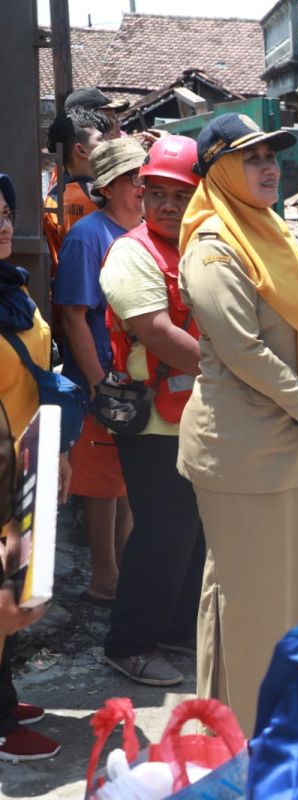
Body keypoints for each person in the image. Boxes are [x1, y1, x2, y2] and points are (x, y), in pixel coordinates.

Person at [177, 113, 298, 734]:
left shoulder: (270, 231)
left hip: (286, 444)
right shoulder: (213, 246)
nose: (269, 166)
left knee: (280, 599)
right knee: (250, 605)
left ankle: (251, 720)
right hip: (241, 451)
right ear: (221, 169)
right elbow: (244, 350)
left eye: (273, 155)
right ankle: (248, 736)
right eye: (252, 158)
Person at [98, 136, 205, 688]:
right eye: (157, 193)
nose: (168, 205)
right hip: (152, 420)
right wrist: (242, 373)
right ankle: (129, 644)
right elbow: (156, 334)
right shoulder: (132, 253)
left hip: (194, 415)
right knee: (162, 532)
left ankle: (176, 628)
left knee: (193, 534)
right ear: (139, 195)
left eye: (180, 195)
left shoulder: (198, 247)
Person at [54, 138, 144, 606]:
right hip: (104, 383)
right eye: (133, 178)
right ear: (106, 187)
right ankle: (104, 580)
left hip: (136, 382)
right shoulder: (89, 235)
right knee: (103, 487)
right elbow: (73, 315)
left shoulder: (142, 230)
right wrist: (99, 383)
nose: (142, 185)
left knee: (126, 484)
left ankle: (123, 573)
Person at [0, 173, 64, 762]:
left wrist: (53, 457)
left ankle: (4, 694)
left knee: (20, 592)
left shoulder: (12, 290)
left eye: (1, 214)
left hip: (28, 458)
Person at [43, 107, 115, 270]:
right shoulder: (103, 196)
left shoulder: (52, 199)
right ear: (81, 150)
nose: (108, 144)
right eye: (100, 140)